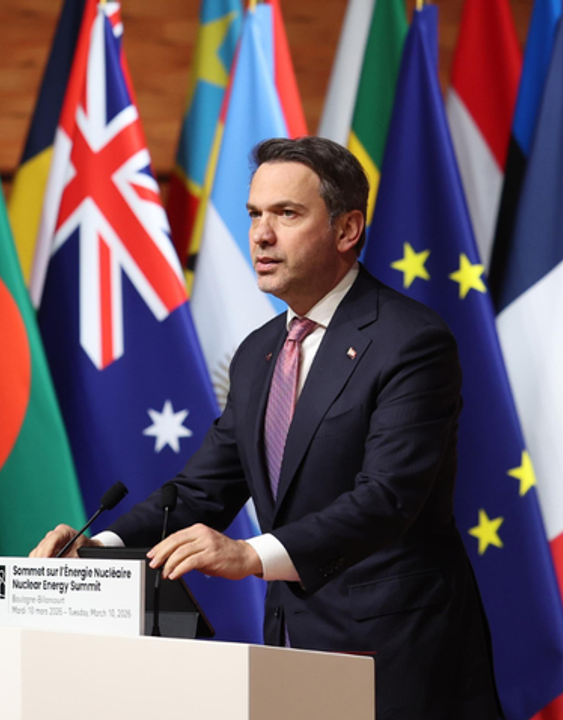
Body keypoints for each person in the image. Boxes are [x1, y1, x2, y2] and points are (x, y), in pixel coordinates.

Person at [31, 137, 499, 719]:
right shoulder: (258, 354)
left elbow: (388, 498)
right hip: (289, 651)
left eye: (287, 214)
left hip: (398, 659)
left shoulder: (409, 341)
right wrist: (98, 548)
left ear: (347, 229)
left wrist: (248, 555)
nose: (261, 235)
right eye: (255, 214)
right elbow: (202, 491)